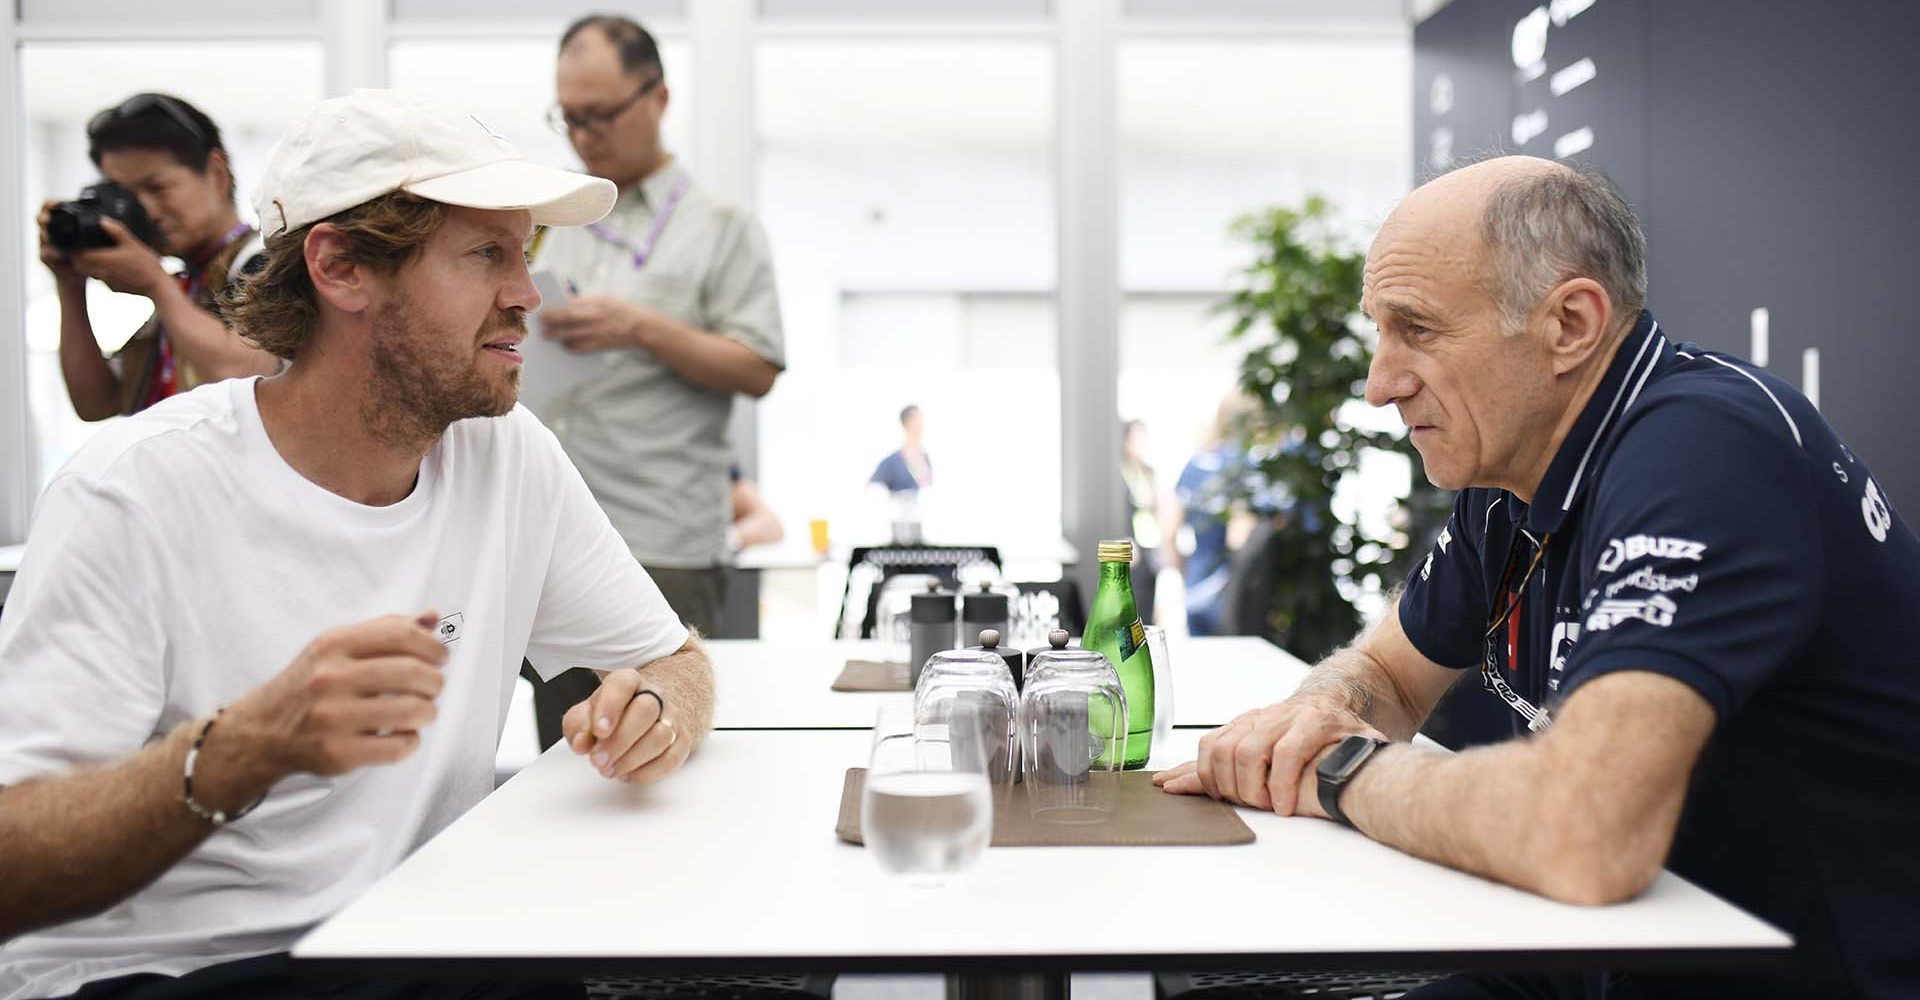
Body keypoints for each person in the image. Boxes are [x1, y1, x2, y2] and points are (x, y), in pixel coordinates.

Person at [0, 89, 714, 1000]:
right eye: (486, 253)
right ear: (341, 270)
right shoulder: (132, 493)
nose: (527, 295)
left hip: (395, 947)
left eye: (524, 251)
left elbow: (674, 660)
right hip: (163, 973)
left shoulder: (508, 454)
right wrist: (242, 750)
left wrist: (661, 709)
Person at [1154, 156, 1920, 999]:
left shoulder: (1702, 452)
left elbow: (1584, 829)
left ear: (1570, 324)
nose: (1379, 384)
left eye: (1417, 329)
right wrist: (1311, 719)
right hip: (1584, 956)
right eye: (1380, 331)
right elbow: (1383, 675)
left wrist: (1341, 770)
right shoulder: (1511, 475)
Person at [530, 13, 784, 744]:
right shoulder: (554, 223)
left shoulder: (722, 226)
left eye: (601, 115)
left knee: (658, 759)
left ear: (659, 98)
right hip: (559, 536)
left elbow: (759, 366)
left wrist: (642, 327)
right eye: (569, 118)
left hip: (664, 538)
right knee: (568, 758)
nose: (584, 136)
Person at [38, 92, 278, 420]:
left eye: (157, 188)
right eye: (127, 197)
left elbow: (246, 372)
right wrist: (69, 285)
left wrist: (157, 285)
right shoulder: (184, 284)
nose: (145, 211)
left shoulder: (266, 265)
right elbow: (95, 402)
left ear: (217, 174)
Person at [1120, 419, 1163, 624]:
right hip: (1134, 546)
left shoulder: (1148, 472)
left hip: (1151, 546)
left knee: (1149, 604)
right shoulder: (1122, 473)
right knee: (1134, 603)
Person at [870, 404, 933, 495]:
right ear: (907, 423)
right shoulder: (892, 462)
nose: (921, 425)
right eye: (917, 420)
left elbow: (926, 489)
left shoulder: (925, 459)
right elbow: (872, 488)